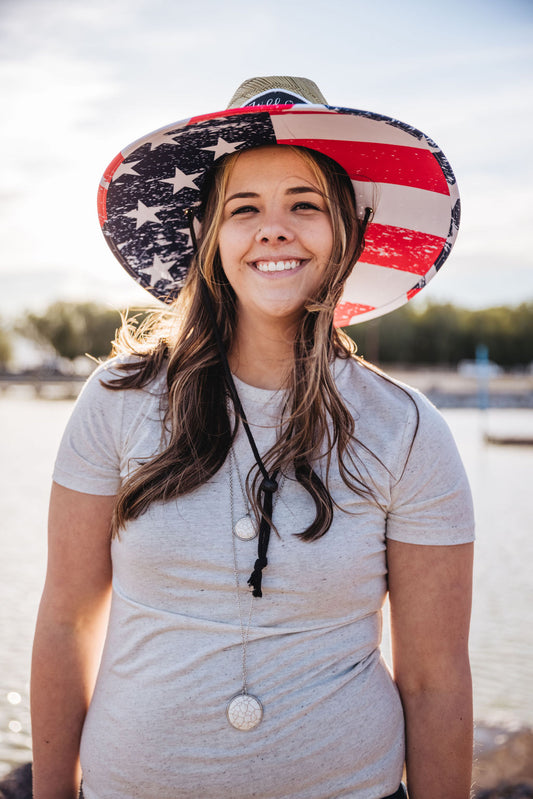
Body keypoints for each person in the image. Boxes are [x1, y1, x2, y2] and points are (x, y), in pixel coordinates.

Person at [30, 76, 474, 799]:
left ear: (346, 233)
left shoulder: (406, 428)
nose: (274, 228)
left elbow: (433, 678)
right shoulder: (115, 401)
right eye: (244, 209)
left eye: (304, 205)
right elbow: (64, 621)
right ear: (207, 234)